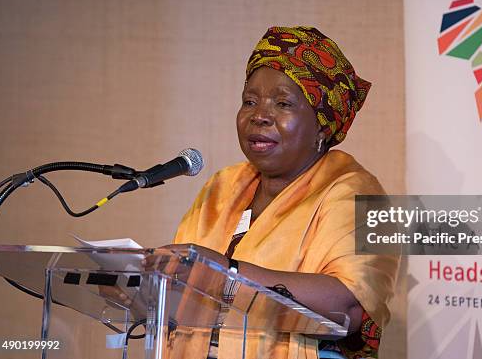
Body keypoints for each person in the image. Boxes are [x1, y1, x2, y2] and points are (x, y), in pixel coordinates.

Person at [156, 26, 399, 359]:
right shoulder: (223, 186)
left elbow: (350, 308)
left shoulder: (355, 193)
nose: (259, 116)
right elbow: (181, 280)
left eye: (282, 103)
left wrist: (226, 275)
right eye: (249, 101)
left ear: (322, 125)